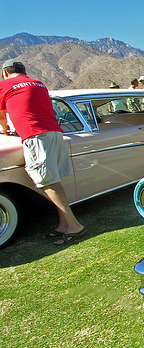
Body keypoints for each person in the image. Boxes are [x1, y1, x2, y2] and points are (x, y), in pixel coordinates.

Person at [0, 60, 85, 245]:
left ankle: (74, 225)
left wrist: (5, 129)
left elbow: (1, 114)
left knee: (47, 182)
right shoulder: (38, 83)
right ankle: (63, 225)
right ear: (24, 71)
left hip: (36, 135)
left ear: (5, 73)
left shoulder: (5, 85)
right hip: (54, 133)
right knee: (54, 181)